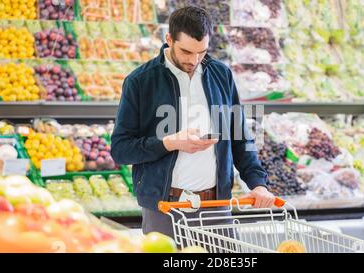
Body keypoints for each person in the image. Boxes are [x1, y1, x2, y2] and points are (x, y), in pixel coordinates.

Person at [111, 6, 275, 239]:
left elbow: (240, 137)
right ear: (169, 39)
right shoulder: (140, 81)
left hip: (216, 207)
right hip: (164, 209)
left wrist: (258, 183)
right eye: (186, 52)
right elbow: (120, 150)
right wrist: (169, 142)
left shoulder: (222, 75)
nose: (194, 60)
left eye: (202, 52)